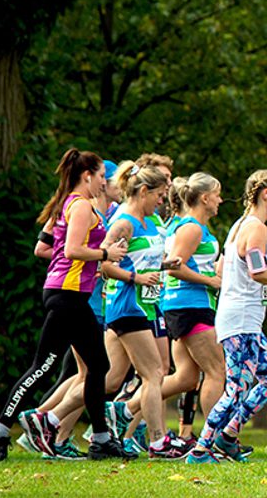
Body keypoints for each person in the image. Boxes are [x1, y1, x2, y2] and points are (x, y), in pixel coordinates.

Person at [0, 149, 133, 461]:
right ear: (87, 176)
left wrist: (90, 257)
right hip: (67, 295)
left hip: (70, 294)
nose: (104, 182)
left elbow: (51, 249)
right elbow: (73, 249)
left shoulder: (66, 202)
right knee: (43, 366)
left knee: (98, 365)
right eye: (102, 176)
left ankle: (100, 438)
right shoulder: (81, 206)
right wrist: (105, 255)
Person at [186, 170, 267, 463]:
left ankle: (228, 436)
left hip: (243, 318)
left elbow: (224, 269)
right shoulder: (256, 227)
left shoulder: (238, 225)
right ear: (265, 193)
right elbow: (257, 271)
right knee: (235, 388)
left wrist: (256, 281)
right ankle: (201, 449)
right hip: (241, 320)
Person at [96, 162, 190, 458]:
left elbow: (139, 260)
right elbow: (104, 264)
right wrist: (137, 278)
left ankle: (55, 420)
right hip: (127, 305)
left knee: (117, 378)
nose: (163, 201)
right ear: (144, 191)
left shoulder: (149, 222)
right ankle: (157, 440)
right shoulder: (124, 222)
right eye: (160, 195)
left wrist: (164, 266)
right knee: (152, 374)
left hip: (147, 305)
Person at [153, 172, 227, 441]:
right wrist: (211, 281)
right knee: (217, 371)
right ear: (205, 198)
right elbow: (175, 267)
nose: (220, 200)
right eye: (217, 195)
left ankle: (123, 410)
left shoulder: (187, 225)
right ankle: (215, 439)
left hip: (182, 305)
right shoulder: (192, 227)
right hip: (191, 305)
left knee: (185, 378)